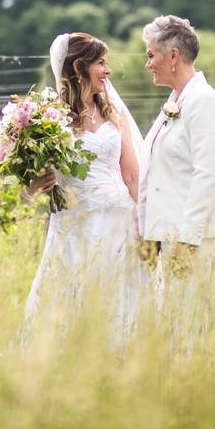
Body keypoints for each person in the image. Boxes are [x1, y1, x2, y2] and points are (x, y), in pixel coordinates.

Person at [21, 32, 145, 347]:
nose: (108, 71)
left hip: (119, 225)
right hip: (75, 228)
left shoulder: (113, 114)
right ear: (79, 67)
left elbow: (131, 173)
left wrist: (146, 222)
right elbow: (25, 189)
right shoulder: (48, 119)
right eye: (101, 63)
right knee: (71, 302)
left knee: (118, 302)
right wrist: (36, 185)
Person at [138, 15, 215, 350]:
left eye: (151, 54)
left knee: (194, 331)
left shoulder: (204, 102)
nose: (148, 64)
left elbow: (205, 176)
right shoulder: (176, 101)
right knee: (175, 329)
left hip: (200, 242)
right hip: (174, 239)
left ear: (173, 56)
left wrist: (185, 242)